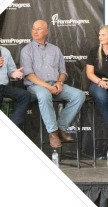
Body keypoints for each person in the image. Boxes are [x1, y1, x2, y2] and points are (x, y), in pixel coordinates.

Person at [20, 20, 86, 149]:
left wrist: (59, 82)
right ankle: (53, 133)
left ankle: (61, 128)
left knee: (79, 95)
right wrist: (48, 87)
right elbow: (29, 75)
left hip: (55, 85)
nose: (35, 31)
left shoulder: (55, 49)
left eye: (39, 29)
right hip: (35, 87)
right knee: (44, 94)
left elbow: (63, 72)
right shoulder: (26, 50)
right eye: (33, 28)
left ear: (46, 31)